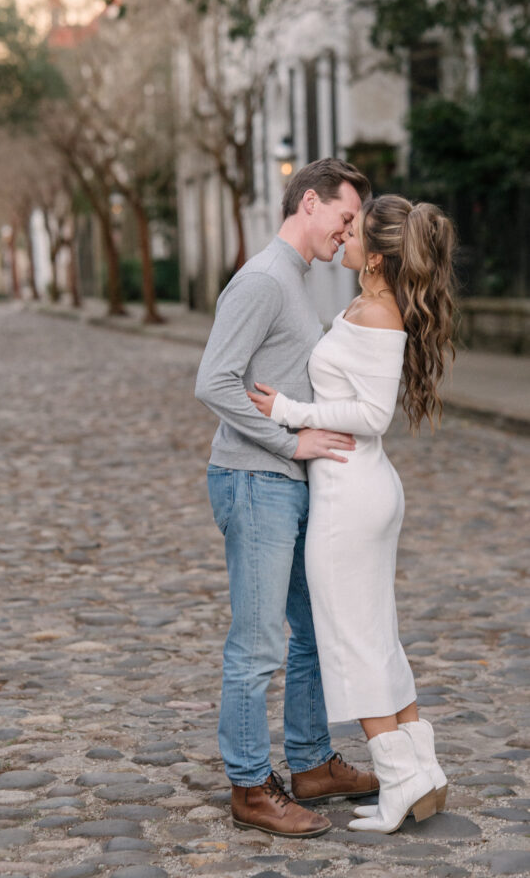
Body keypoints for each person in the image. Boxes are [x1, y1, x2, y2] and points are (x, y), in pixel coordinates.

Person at [248, 194, 456, 834]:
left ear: (378, 256)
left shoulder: (378, 312)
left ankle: (398, 783)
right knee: (376, 632)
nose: (344, 238)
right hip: (360, 490)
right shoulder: (372, 306)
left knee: (353, 638)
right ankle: (420, 770)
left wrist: (288, 411)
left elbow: (371, 417)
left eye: (355, 232)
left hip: (349, 496)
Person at [195, 158, 380, 839]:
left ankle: (309, 764)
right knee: (258, 642)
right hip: (255, 481)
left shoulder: (298, 280)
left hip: (288, 487)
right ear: (309, 202)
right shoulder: (264, 279)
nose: (347, 231)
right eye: (344, 217)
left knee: (313, 631)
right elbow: (213, 382)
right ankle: (249, 786)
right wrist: (287, 441)